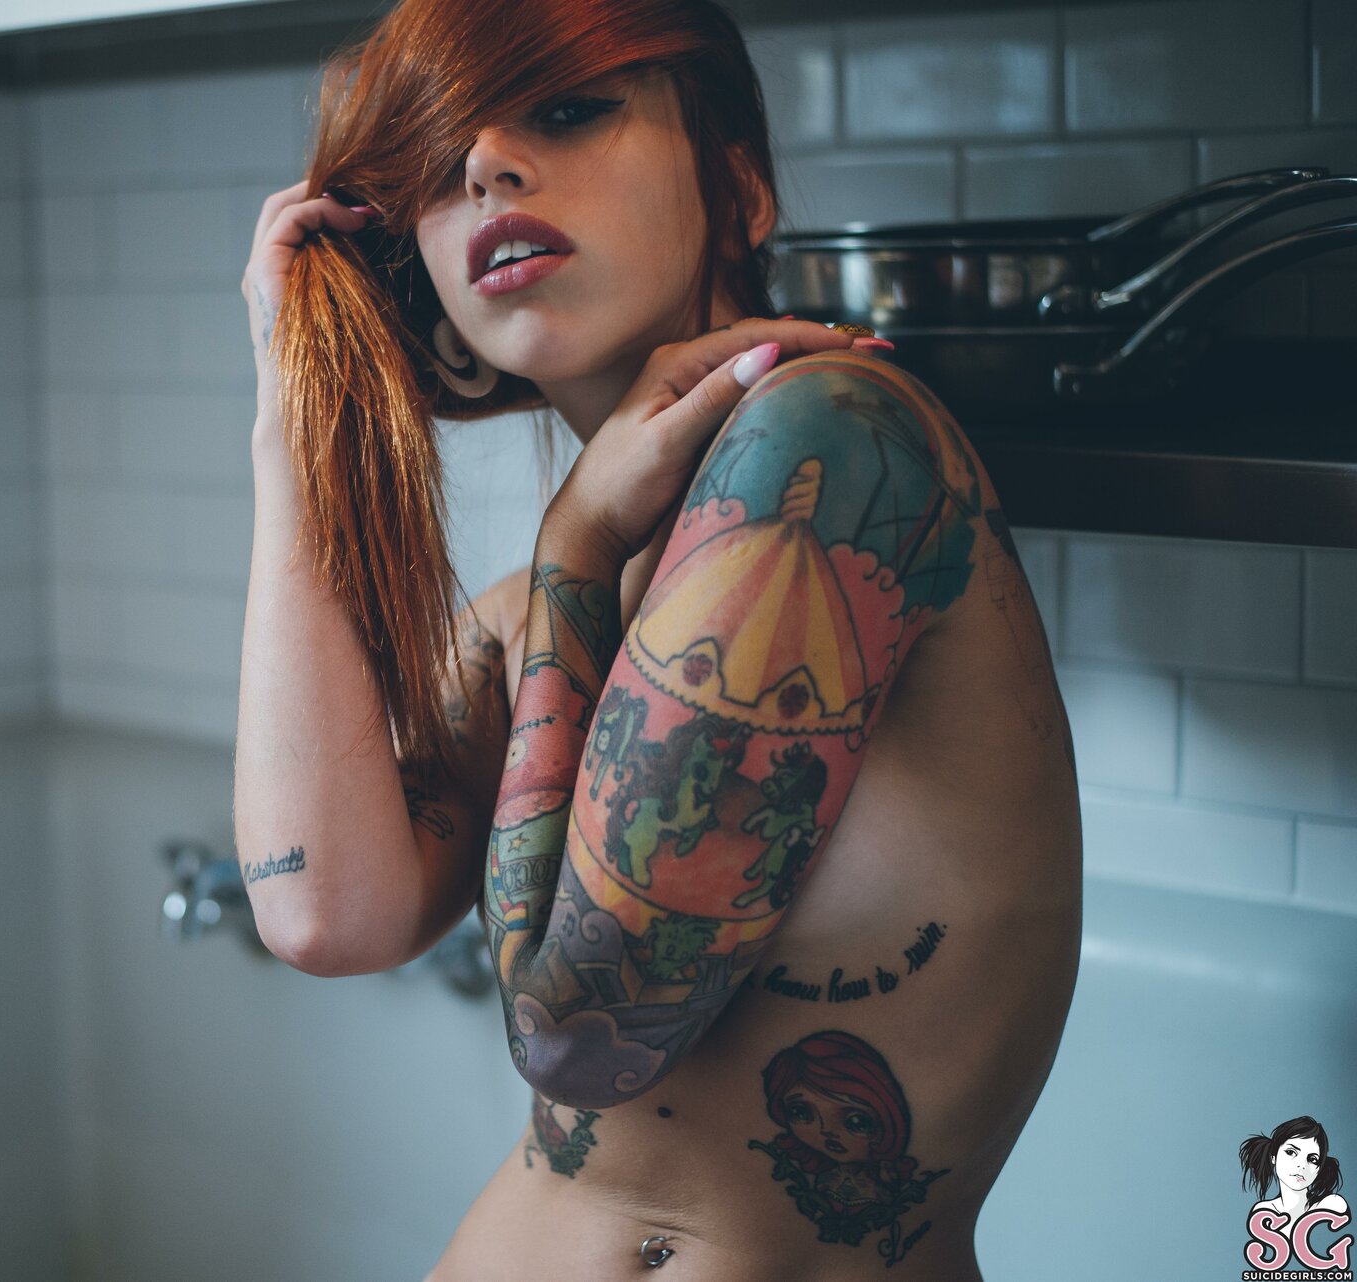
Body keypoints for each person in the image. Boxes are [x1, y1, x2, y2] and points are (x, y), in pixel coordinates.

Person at [232, 0, 1082, 1276]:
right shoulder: (534, 613)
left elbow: (578, 1038)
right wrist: (293, 416)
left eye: (570, 109)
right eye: (439, 164)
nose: (486, 166)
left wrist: (576, 545)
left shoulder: (829, 440)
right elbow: (323, 912)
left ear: (741, 190)